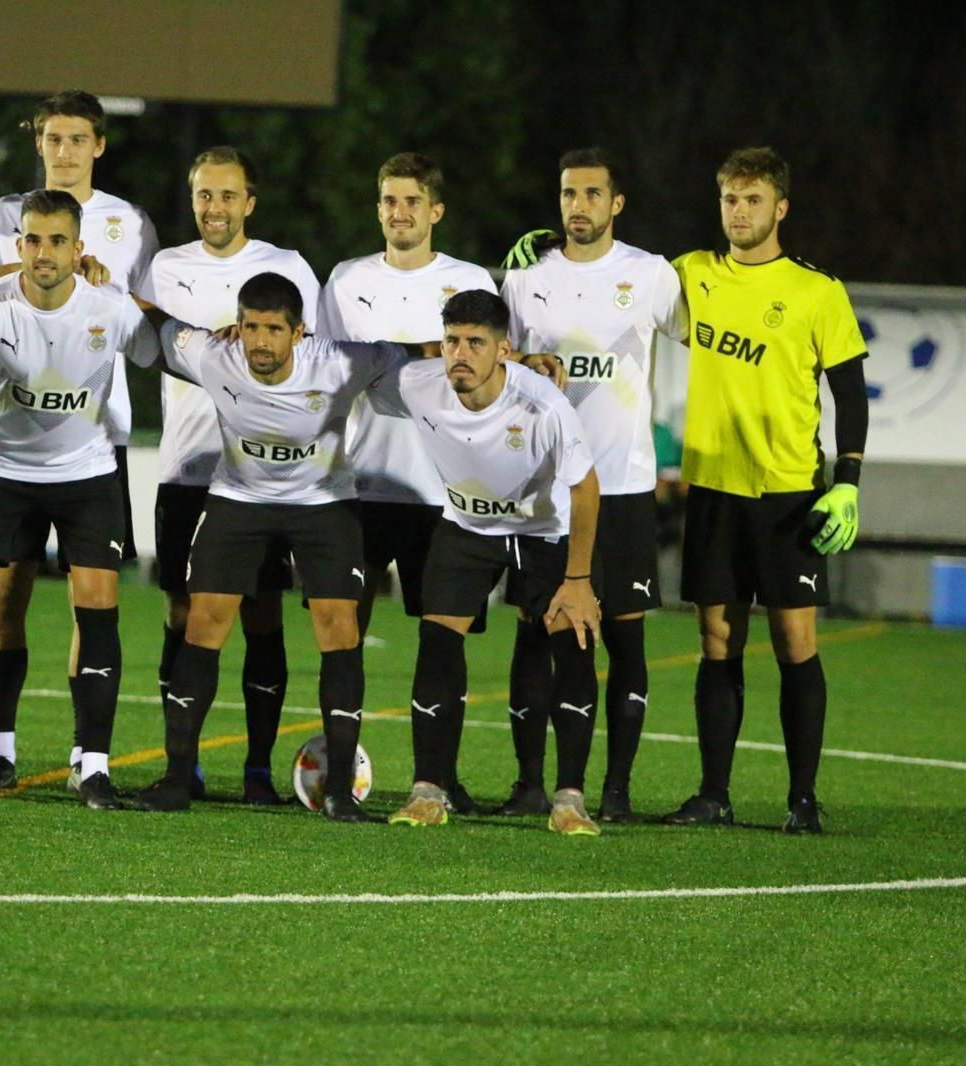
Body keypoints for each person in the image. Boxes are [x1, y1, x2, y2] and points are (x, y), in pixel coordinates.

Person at [0, 191, 161, 809]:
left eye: (57, 241)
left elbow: (165, 347)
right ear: (19, 245)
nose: (44, 253)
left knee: (97, 609)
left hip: (87, 476)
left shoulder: (109, 308)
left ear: (79, 248)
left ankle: (92, 767)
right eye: (34, 240)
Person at [128, 272, 412, 821]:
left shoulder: (339, 362)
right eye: (251, 327)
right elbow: (159, 326)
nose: (260, 341)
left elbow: (415, 355)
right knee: (202, 625)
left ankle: (338, 791)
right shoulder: (213, 354)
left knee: (339, 629)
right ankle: (178, 778)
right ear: (237, 326)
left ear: (299, 332)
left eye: (273, 329)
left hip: (323, 504)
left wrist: (511, 361)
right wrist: (108, 290)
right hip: (239, 500)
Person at [664, 146, 868, 834]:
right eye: (730, 199)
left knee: (794, 639)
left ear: (781, 207)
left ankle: (802, 800)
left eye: (753, 200)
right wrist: (555, 252)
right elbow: (618, 286)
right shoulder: (692, 274)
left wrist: (848, 483)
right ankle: (713, 795)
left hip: (788, 491)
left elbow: (850, 393)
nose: (739, 212)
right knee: (717, 639)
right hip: (713, 486)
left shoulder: (817, 291)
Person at [0, 89, 160, 792]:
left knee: (94, 600)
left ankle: (90, 757)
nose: (64, 151)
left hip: (95, 438)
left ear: (99, 146)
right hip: (9, 444)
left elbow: (145, 322)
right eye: (53, 138)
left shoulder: (129, 223)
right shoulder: (4, 214)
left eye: (78, 139)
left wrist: (107, 289)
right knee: (7, 595)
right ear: (39, 143)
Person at [371, 291, 605, 835]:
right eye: (452, 341)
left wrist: (578, 580)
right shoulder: (419, 383)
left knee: (572, 644)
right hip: (467, 527)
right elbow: (365, 363)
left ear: (504, 351)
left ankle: (570, 800)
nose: (460, 354)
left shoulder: (542, 404)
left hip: (544, 531)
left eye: (476, 343)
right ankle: (428, 792)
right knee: (436, 643)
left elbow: (585, 487)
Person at [499, 147, 686, 822]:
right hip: (545, 488)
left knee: (625, 638)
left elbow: (702, 333)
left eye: (592, 194)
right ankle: (528, 784)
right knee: (534, 630)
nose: (578, 206)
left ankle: (617, 791)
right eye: (568, 194)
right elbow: (500, 360)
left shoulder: (651, 274)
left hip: (625, 485)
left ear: (617, 203)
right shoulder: (526, 278)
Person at [141, 147, 322, 804]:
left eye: (226, 195)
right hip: (186, 467)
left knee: (261, 610)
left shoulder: (288, 267)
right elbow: (150, 348)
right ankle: (181, 766)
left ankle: (258, 771)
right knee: (181, 611)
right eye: (203, 195)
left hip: (262, 472)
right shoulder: (167, 266)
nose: (213, 208)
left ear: (250, 201)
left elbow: (314, 358)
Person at [318, 150, 497, 813]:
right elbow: (325, 373)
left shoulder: (469, 281)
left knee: (443, 639)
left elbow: (487, 377)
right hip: (360, 485)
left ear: (435, 211)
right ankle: (339, 780)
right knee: (344, 633)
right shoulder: (345, 281)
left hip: (444, 491)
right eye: (390, 201)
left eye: (412, 201)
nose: (399, 213)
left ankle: (438, 779)